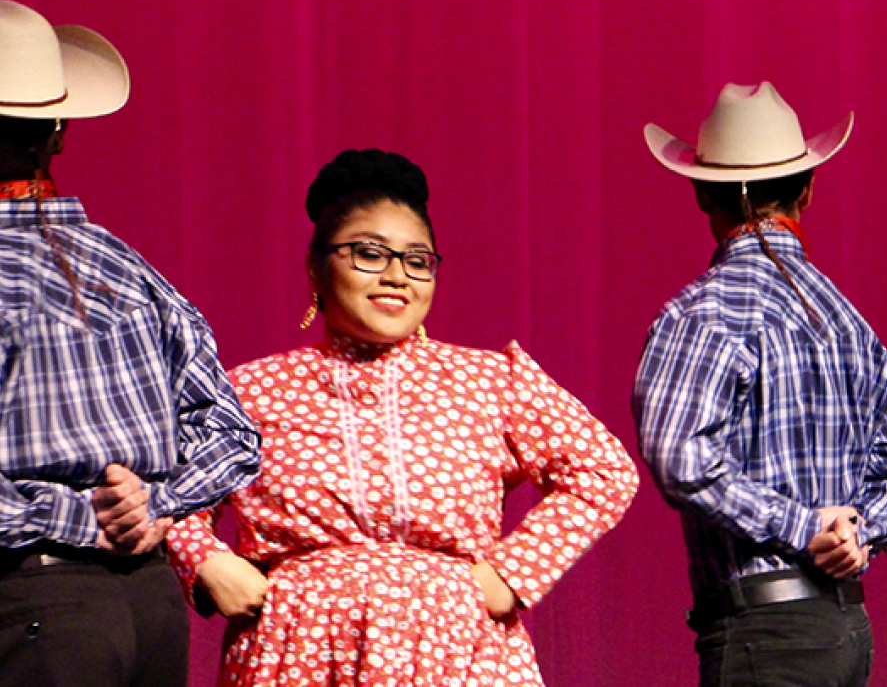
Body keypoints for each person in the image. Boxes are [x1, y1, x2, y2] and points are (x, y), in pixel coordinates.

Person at [165, 148, 640, 687]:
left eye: (418, 261)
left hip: (457, 651)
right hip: (296, 651)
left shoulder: (488, 380)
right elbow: (168, 490)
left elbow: (602, 471)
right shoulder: (251, 390)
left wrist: (513, 573)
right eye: (369, 254)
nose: (398, 277)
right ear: (316, 267)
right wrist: (206, 563)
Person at [633, 82, 887, 687]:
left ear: (700, 195)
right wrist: (855, 533)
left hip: (763, 634)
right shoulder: (849, 322)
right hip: (844, 630)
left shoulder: (703, 312)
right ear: (807, 190)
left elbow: (679, 456)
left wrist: (805, 528)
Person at [0, 0, 262, 687]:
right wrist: (152, 502)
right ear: (58, 131)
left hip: (32, 602)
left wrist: (82, 516)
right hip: (146, 604)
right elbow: (233, 435)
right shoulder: (133, 270)